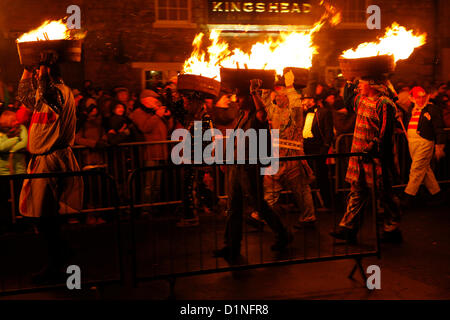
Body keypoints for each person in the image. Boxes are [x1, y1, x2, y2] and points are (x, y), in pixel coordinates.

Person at [17, 51, 84, 283]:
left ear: (48, 73)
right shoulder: (43, 95)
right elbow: (25, 97)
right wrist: (27, 68)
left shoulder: (58, 92)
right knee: (43, 218)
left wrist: (44, 66)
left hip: (52, 160)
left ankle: (59, 263)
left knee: (46, 218)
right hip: (43, 160)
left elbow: (46, 91)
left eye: (39, 73)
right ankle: (60, 259)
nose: (36, 76)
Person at [213, 81, 292, 261]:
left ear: (249, 99)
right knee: (233, 206)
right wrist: (226, 160)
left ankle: (283, 234)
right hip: (236, 165)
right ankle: (231, 245)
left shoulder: (257, 118)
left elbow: (263, 112)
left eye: (240, 97)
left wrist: (254, 92)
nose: (236, 100)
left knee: (258, 204)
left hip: (249, 166)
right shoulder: (241, 115)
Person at [330, 78, 402, 243]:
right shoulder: (361, 100)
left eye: (361, 83)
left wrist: (373, 146)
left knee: (384, 193)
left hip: (376, 158)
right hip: (358, 156)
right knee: (357, 192)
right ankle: (348, 228)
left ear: (372, 84)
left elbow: (385, 131)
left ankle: (393, 228)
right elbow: (348, 100)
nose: (359, 86)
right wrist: (349, 81)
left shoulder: (385, 104)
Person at [258, 71, 316, 229]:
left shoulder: (295, 113)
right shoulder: (274, 111)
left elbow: (296, 103)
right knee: (269, 187)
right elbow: (265, 103)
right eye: (276, 96)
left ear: (287, 97)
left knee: (301, 189)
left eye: (280, 95)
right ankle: (261, 216)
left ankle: (308, 217)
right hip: (276, 156)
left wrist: (290, 86)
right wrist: (265, 87)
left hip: (293, 157)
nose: (277, 98)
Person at [401, 86, 446, 206]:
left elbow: (439, 127)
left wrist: (439, 145)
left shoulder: (432, 109)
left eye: (423, 97)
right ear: (412, 98)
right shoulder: (411, 109)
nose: (421, 100)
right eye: (418, 97)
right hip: (412, 142)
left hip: (425, 142)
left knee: (416, 168)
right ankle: (437, 195)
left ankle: (408, 196)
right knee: (425, 169)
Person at [129, 90, 171, 207]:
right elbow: (145, 128)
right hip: (150, 152)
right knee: (148, 184)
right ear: (145, 100)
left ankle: (155, 207)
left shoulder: (154, 113)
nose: (156, 102)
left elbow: (167, 129)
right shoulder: (138, 112)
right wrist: (157, 115)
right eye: (154, 99)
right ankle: (145, 208)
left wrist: (167, 117)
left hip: (161, 151)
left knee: (157, 184)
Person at [301, 90, 334, 209]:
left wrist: (325, 147)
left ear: (311, 100)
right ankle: (312, 204)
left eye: (305, 99)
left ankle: (329, 203)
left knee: (321, 176)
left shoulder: (324, 113)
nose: (303, 102)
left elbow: (328, 131)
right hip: (305, 147)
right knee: (306, 178)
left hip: (318, 147)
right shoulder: (302, 113)